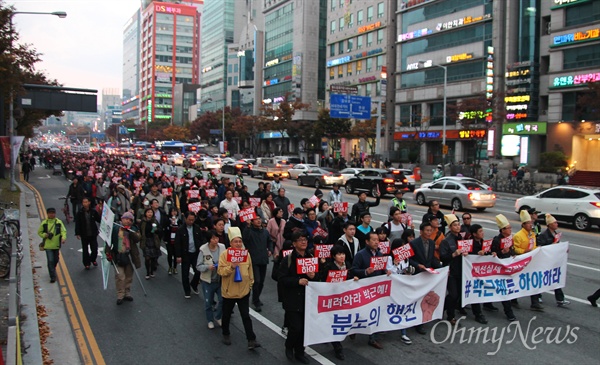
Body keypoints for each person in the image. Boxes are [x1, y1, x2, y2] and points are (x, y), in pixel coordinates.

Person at [277, 231, 319, 364]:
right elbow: (281, 279)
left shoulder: (310, 257)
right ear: (294, 243)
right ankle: (289, 346)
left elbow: (319, 277)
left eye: (305, 239)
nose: (303, 242)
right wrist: (297, 281)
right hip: (292, 299)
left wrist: (313, 276)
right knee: (296, 327)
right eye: (300, 240)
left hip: (307, 299)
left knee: (305, 328)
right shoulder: (288, 259)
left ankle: (300, 351)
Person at [218, 227, 261, 349]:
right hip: (229, 291)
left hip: (243, 291)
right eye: (235, 241)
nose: (238, 244)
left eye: (239, 241)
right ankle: (226, 333)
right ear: (230, 242)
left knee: (246, 316)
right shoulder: (225, 255)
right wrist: (231, 267)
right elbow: (220, 271)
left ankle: (251, 339)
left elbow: (250, 270)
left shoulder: (246, 254)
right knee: (226, 315)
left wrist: (250, 284)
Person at [352, 232, 391, 349]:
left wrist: (386, 271)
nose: (376, 242)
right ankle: (352, 328)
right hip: (364, 288)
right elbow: (353, 270)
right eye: (373, 240)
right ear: (367, 241)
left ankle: (373, 338)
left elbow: (382, 268)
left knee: (375, 312)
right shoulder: (360, 255)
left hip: (377, 289)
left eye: (377, 240)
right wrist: (365, 272)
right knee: (360, 312)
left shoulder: (380, 254)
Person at [319, 244, 356, 359]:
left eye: (343, 254)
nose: (342, 256)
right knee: (334, 322)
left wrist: (354, 279)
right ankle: (337, 348)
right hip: (333, 299)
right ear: (334, 256)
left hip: (345, 298)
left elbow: (351, 277)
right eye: (339, 254)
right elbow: (323, 281)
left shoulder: (348, 265)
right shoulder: (328, 267)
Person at [408, 221, 442, 334]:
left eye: (430, 230)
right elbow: (409, 259)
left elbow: (431, 259)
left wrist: (441, 267)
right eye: (427, 230)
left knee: (425, 298)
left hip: (427, 274)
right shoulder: (414, 243)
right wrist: (418, 265)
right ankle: (416, 322)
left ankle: (421, 320)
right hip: (417, 274)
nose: (429, 232)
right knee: (417, 298)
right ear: (421, 231)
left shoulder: (432, 243)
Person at [105, 212, 141, 305]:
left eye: (130, 220)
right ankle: (120, 294)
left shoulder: (133, 229)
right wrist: (108, 252)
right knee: (120, 276)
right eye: (126, 219)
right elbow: (108, 241)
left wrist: (130, 232)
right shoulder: (116, 228)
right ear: (122, 219)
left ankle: (127, 292)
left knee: (128, 276)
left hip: (129, 256)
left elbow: (138, 239)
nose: (127, 221)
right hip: (119, 255)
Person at [537, 214, 570, 307]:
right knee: (542, 278)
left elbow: (557, 245)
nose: (556, 224)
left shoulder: (555, 234)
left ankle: (560, 299)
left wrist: (563, 248)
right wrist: (553, 244)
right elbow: (541, 248)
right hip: (545, 261)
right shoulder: (543, 235)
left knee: (556, 278)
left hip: (553, 261)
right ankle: (537, 295)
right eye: (554, 222)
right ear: (549, 224)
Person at [386, 238, 415, 345]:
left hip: (403, 286)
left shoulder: (406, 258)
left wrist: (409, 271)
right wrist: (395, 265)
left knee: (403, 308)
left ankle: (403, 332)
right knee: (389, 307)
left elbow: (407, 271)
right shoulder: (389, 258)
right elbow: (389, 273)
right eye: (400, 247)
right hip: (393, 288)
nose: (402, 249)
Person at [513, 210, 544, 311]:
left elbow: (533, 246)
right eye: (529, 223)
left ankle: (534, 302)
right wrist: (524, 251)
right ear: (523, 224)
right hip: (521, 262)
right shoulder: (518, 235)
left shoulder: (532, 234)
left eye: (531, 223)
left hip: (531, 261)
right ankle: (513, 300)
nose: (531, 225)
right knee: (518, 281)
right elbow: (515, 249)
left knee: (533, 280)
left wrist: (537, 250)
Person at [243, 216, 274, 312]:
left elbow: (270, 241)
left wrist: (270, 250)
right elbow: (245, 239)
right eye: (256, 219)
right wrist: (247, 227)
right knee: (256, 281)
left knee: (261, 282)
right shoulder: (249, 231)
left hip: (263, 259)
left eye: (259, 219)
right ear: (252, 221)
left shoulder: (264, 231)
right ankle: (256, 301)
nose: (259, 221)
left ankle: (256, 297)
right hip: (253, 259)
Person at [490, 214, 517, 321]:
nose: (510, 230)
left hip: (508, 267)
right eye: (508, 228)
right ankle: (509, 312)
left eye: (510, 228)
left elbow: (512, 250)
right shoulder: (497, 240)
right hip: (499, 269)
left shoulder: (510, 239)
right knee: (503, 290)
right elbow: (492, 254)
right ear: (502, 230)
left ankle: (488, 303)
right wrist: (501, 252)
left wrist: (512, 253)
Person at [197, 230, 225, 329]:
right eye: (213, 238)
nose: (216, 240)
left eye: (217, 238)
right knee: (208, 302)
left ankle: (218, 316)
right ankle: (210, 320)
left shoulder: (222, 247)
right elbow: (198, 266)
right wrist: (208, 267)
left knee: (222, 300)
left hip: (220, 279)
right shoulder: (203, 250)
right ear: (209, 240)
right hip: (207, 281)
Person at [175, 211, 206, 298]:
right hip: (185, 254)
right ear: (185, 219)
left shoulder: (197, 228)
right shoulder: (180, 229)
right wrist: (178, 256)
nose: (191, 222)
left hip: (195, 253)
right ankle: (187, 290)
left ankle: (194, 284)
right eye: (189, 220)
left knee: (198, 271)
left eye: (193, 220)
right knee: (185, 274)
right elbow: (177, 243)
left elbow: (201, 239)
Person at [38, 207, 68, 283]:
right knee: (50, 260)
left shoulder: (58, 222)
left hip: (56, 245)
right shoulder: (44, 223)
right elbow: (39, 232)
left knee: (56, 259)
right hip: (48, 246)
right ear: (47, 214)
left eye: (53, 213)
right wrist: (45, 235)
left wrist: (63, 238)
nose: (52, 214)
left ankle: (52, 269)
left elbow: (63, 231)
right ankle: (52, 276)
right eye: (50, 213)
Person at [74, 197, 101, 270]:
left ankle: (93, 259)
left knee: (94, 249)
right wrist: (77, 233)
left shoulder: (93, 211)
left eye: (86, 202)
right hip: (84, 234)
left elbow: (99, 220)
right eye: (83, 202)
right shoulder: (79, 213)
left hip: (93, 233)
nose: (85, 204)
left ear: (89, 202)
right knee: (85, 250)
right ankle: (86, 263)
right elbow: (77, 224)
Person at [140, 208, 162, 279]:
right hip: (145, 240)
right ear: (145, 213)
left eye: (151, 212)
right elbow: (140, 230)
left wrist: (156, 230)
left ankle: (152, 271)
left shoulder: (155, 221)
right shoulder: (143, 222)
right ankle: (147, 272)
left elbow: (159, 230)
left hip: (153, 240)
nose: (150, 214)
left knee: (153, 258)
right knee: (147, 257)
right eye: (148, 212)